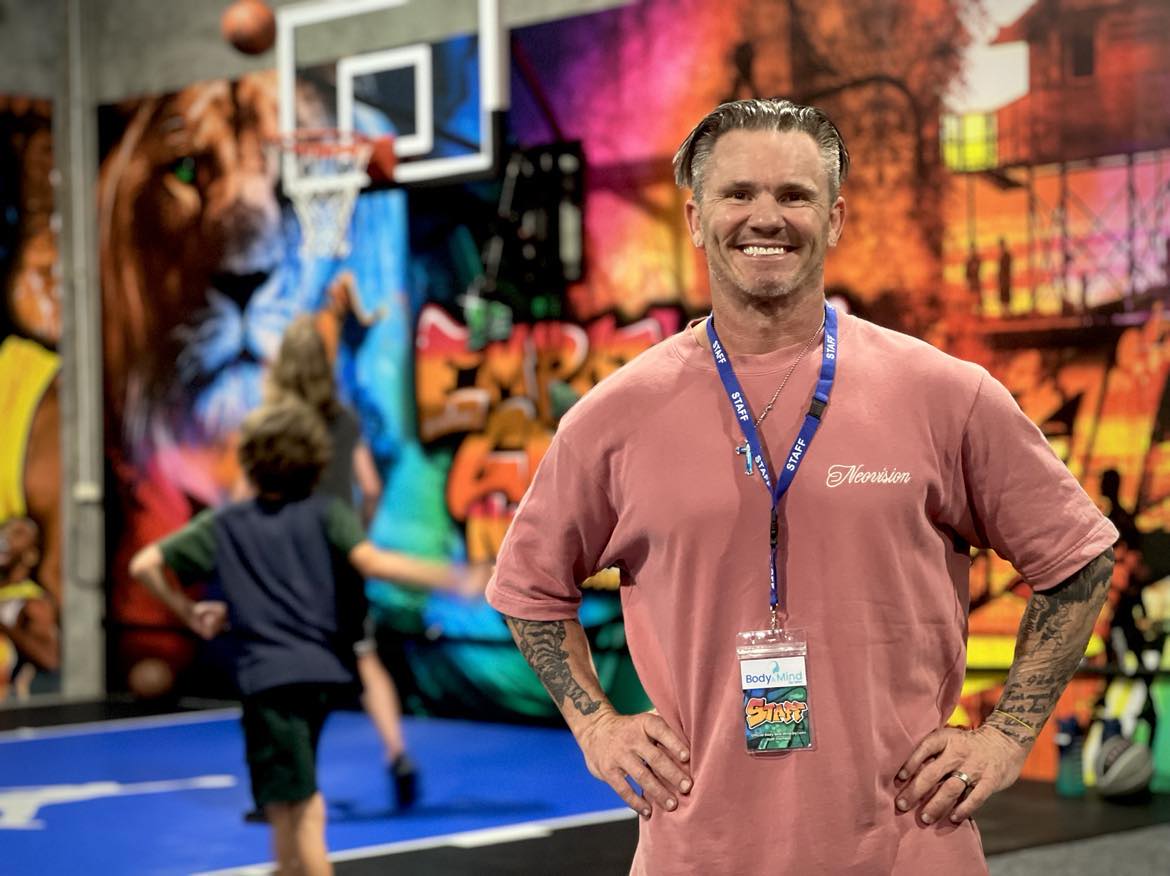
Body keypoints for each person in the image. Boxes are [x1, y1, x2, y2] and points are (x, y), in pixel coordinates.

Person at [485, 98, 1118, 875]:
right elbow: (527, 589)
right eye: (739, 194)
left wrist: (1009, 734)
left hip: (908, 847)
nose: (766, 217)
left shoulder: (947, 394)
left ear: (837, 216)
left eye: (794, 196)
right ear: (694, 218)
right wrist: (595, 726)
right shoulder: (612, 418)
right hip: (699, 852)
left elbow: (1079, 561)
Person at [130, 399, 476, 876]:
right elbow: (374, 563)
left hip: (267, 682)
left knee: (304, 805)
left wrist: (188, 612)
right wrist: (452, 577)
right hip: (320, 677)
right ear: (314, 461)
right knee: (283, 801)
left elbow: (144, 565)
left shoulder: (226, 523)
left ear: (250, 459)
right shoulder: (328, 514)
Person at [263, 314, 422, 811]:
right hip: (340, 558)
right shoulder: (345, 419)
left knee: (291, 665)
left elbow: (255, 497)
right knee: (363, 655)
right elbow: (370, 488)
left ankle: (296, 777)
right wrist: (358, 534)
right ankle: (396, 752)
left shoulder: (274, 425)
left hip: (291, 562)